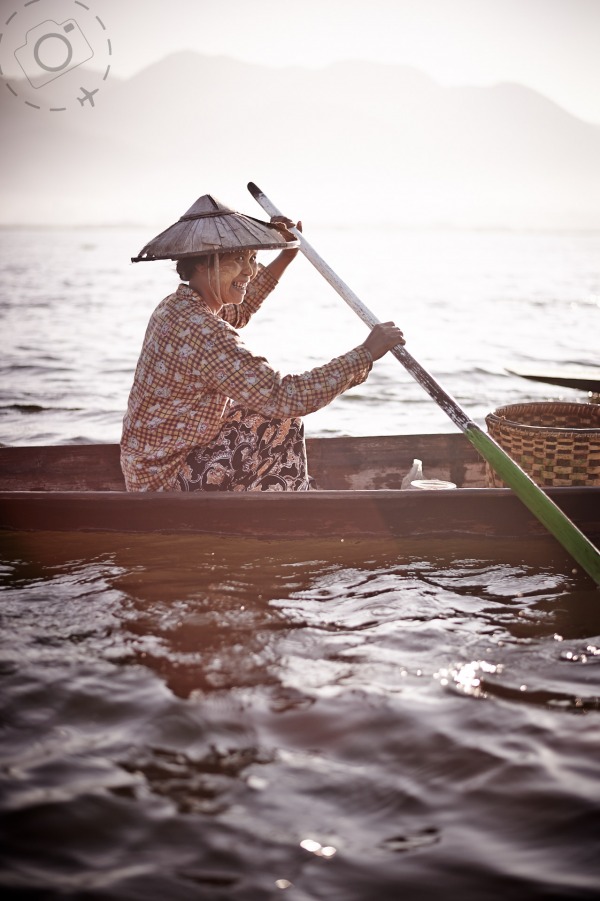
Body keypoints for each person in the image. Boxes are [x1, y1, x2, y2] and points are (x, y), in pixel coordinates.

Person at [121, 194, 405, 492]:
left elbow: (239, 311)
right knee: (283, 419)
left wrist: (285, 255)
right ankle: (292, 506)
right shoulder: (205, 331)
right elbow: (285, 397)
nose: (250, 271)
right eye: (237, 260)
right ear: (203, 265)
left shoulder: (176, 306)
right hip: (165, 480)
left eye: (253, 259)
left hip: (147, 466)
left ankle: (291, 489)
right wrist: (365, 355)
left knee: (258, 413)